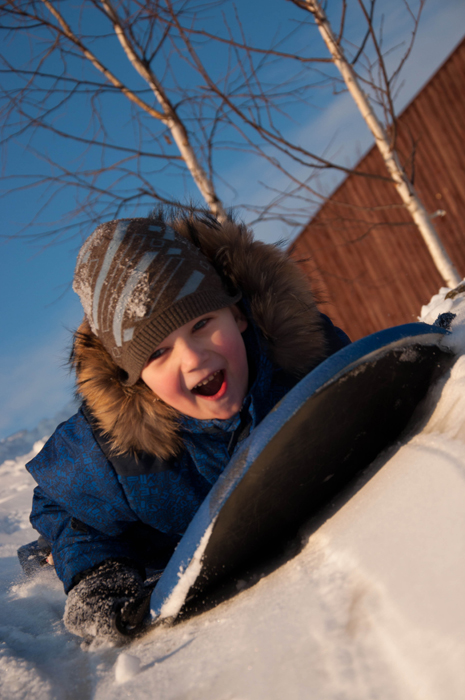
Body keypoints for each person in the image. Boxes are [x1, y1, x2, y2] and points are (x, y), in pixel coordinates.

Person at [22, 209, 350, 643]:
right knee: (73, 535)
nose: (192, 358)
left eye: (202, 324)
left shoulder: (304, 356)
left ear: (239, 315)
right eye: (158, 353)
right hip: (153, 538)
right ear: (137, 381)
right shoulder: (113, 450)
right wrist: (97, 571)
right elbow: (58, 502)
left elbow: (362, 382)